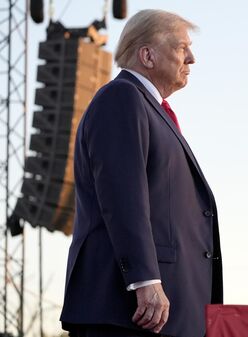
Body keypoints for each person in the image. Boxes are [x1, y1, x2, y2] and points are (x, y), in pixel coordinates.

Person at [60, 9, 222, 337]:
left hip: (167, 312)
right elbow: (123, 197)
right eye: (181, 47)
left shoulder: (150, 109)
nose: (191, 58)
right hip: (131, 311)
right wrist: (145, 280)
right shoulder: (122, 98)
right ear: (147, 55)